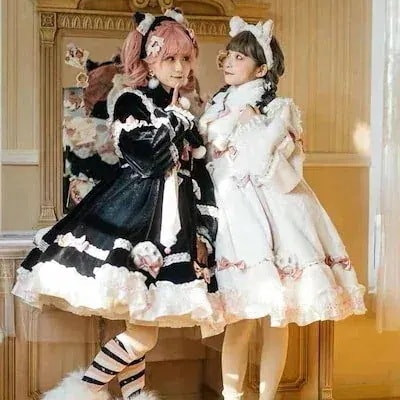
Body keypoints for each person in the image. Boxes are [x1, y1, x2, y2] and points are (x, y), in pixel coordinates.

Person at [12, 8, 222, 400]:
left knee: (138, 320)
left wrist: (206, 232)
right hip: (132, 219)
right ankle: (79, 393)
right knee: (142, 335)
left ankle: (132, 396)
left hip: (174, 228)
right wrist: (176, 121)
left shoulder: (185, 111)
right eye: (169, 58)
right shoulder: (131, 101)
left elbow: (199, 179)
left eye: (185, 58)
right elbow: (147, 159)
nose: (179, 68)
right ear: (149, 61)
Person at [199, 16, 367, 400]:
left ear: (261, 69)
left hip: (277, 217)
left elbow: (271, 167)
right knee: (239, 318)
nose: (229, 62)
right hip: (232, 218)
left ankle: (268, 396)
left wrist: (255, 124)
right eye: (229, 55)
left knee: (278, 318)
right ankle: (232, 397)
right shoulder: (215, 107)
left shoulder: (279, 109)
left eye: (240, 58)